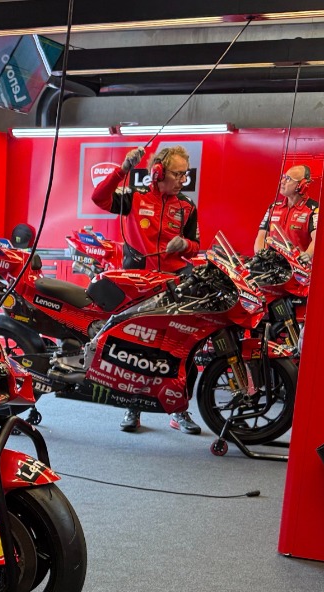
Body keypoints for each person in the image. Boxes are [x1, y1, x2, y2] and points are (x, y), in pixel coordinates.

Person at [89, 144, 199, 432]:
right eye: (177, 173)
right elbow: (98, 198)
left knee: (182, 352)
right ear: (158, 171)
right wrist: (122, 170)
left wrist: (185, 245)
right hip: (140, 288)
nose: (181, 180)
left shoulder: (187, 206)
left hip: (174, 288)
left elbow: (197, 244)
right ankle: (132, 409)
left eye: (184, 175)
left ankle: (179, 411)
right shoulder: (134, 198)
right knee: (135, 351)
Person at [255, 165, 319, 261]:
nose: (282, 182)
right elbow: (262, 235)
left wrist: (308, 254)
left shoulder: (313, 209)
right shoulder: (274, 207)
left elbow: (317, 239)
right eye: (284, 177)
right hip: (274, 268)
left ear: (301, 185)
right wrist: (260, 257)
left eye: (288, 179)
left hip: (297, 268)